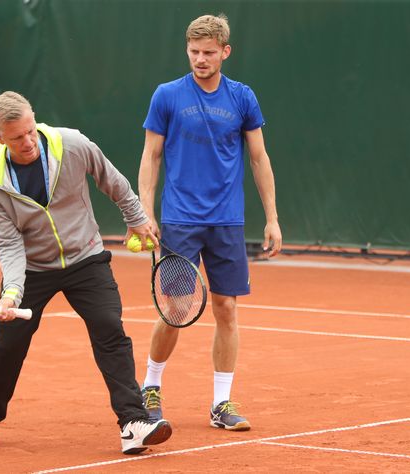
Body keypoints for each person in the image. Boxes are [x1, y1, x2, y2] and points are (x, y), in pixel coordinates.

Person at [0, 91, 171, 455]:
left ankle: (134, 422)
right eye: (16, 138)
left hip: (86, 258)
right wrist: (11, 292)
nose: (28, 142)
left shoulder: (71, 145)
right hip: (32, 268)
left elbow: (114, 181)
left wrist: (137, 220)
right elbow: (8, 244)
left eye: (30, 131)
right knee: (7, 346)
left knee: (110, 329)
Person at [137, 14, 283, 431]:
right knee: (176, 310)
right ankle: (150, 387)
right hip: (180, 220)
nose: (200, 60)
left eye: (208, 53)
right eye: (194, 52)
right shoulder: (166, 95)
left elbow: (259, 158)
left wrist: (272, 218)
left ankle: (221, 403)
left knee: (227, 308)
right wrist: (144, 212)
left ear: (225, 52)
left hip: (227, 222)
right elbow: (151, 156)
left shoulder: (242, 97)